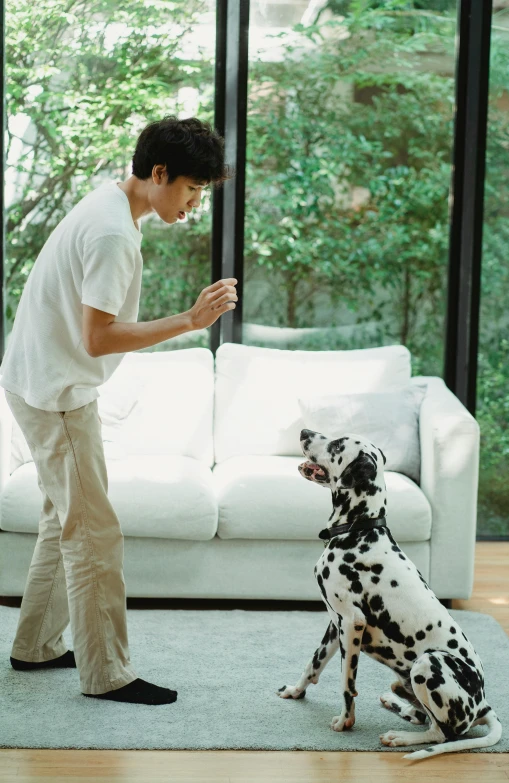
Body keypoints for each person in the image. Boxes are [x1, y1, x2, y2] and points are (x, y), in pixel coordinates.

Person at [0, 115, 238, 705]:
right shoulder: (112, 234)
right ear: (158, 173)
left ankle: (36, 646)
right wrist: (190, 320)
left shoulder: (110, 207)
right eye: (190, 189)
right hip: (56, 395)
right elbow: (98, 339)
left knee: (66, 521)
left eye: (201, 194)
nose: (192, 205)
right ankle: (107, 673)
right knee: (95, 534)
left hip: (36, 381)